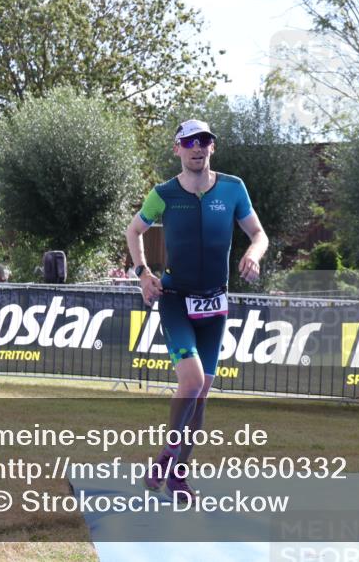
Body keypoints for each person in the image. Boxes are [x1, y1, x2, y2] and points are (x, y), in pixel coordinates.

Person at [126, 118, 268, 502]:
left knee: (201, 394)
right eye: (189, 142)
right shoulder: (164, 193)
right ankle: (166, 457)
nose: (196, 148)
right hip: (174, 299)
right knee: (190, 381)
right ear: (177, 149)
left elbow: (258, 233)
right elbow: (133, 231)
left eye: (204, 141)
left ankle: (177, 476)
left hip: (214, 302)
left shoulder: (233, 188)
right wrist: (142, 273)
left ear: (212, 147)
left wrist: (253, 255)